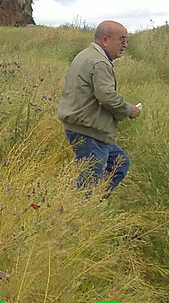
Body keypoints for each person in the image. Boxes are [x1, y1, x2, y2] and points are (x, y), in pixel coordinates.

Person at [58, 20, 140, 195]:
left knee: (120, 163)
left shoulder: (86, 55)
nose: (125, 45)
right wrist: (129, 110)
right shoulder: (99, 62)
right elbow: (107, 97)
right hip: (89, 132)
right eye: (122, 39)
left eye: (126, 40)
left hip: (89, 130)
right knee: (89, 184)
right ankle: (83, 211)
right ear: (105, 40)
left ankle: (94, 204)